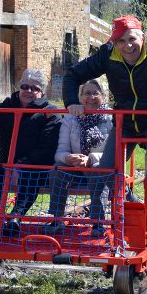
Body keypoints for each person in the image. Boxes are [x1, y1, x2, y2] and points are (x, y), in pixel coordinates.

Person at [63, 14, 147, 251]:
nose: (128, 46)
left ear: (142, 36)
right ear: (114, 42)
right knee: (104, 171)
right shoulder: (107, 54)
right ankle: (98, 225)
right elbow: (73, 75)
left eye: (132, 39)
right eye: (121, 41)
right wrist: (72, 102)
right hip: (124, 123)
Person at [0, 69, 62, 236]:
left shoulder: (50, 113)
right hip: (7, 163)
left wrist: (20, 164)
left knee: (30, 174)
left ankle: (15, 217)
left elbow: (47, 148)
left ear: (42, 91)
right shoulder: (7, 106)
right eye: (25, 86)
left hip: (35, 164)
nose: (28, 91)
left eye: (35, 88)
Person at [44, 80, 113, 234]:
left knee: (97, 170)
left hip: (98, 167)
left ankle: (98, 222)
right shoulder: (70, 119)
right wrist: (68, 158)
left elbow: (112, 153)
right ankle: (56, 219)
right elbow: (60, 152)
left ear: (103, 96)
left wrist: (90, 159)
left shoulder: (111, 118)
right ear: (80, 97)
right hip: (75, 169)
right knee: (57, 171)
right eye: (87, 93)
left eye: (95, 93)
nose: (91, 97)